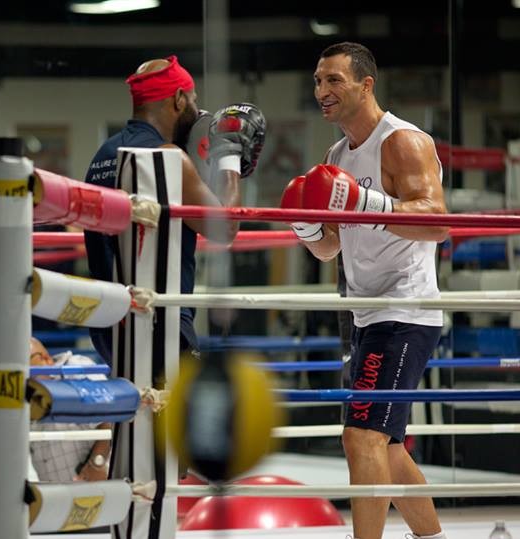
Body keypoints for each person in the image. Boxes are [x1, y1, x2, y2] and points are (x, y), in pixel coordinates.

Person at [281, 42, 447, 539]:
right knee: (386, 448)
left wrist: (367, 201)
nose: (322, 91)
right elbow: (332, 247)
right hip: (366, 314)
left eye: (334, 80)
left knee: (361, 438)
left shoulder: (403, 142)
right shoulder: (335, 156)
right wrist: (307, 228)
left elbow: (437, 221)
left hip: (404, 310)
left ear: (366, 84)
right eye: (318, 81)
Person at [84, 55, 264, 362]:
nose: (196, 109)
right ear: (180, 99)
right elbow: (225, 228)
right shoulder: (167, 158)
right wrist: (229, 154)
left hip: (107, 321)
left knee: (138, 392)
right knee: (175, 395)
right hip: (159, 316)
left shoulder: (104, 154)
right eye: (193, 99)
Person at [27, 337, 111, 482]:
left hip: (96, 486)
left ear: (45, 358)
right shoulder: (28, 393)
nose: (23, 376)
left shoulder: (75, 367)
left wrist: (97, 464)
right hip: (54, 492)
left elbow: (111, 419)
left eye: (25, 366)